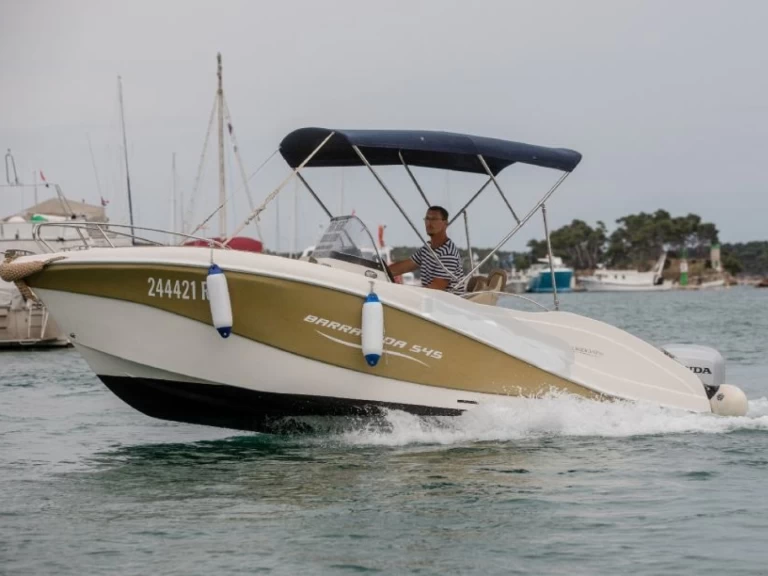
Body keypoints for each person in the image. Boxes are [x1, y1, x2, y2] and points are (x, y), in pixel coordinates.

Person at [388, 206, 464, 293]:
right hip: (432, 301)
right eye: (427, 219)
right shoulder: (427, 248)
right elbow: (406, 266)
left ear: (445, 223)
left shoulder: (448, 253)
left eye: (434, 219)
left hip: (449, 304)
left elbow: (435, 290)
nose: (429, 223)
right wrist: (381, 271)